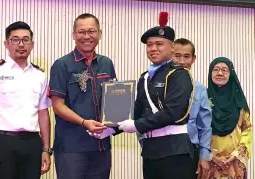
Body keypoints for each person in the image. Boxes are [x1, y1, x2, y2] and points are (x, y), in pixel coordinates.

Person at [106, 12, 195, 179]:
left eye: (159, 44)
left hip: (175, 152)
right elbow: (137, 113)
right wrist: (111, 129)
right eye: (149, 45)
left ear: (172, 47)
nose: (153, 48)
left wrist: (137, 125)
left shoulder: (179, 75)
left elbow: (173, 112)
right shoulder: (145, 78)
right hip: (150, 151)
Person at [0, 21, 52, 179]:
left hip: (32, 143)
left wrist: (46, 149)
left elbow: (43, 114)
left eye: (25, 40)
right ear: (6, 43)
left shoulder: (39, 75)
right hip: (4, 142)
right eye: (15, 40)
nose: (21, 44)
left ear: (32, 44)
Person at [48, 13, 117, 179]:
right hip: (72, 148)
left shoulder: (106, 63)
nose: (87, 36)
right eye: (81, 32)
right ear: (74, 35)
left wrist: (117, 122)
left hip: (102, 146)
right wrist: (84, 123)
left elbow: (114, 100)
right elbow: (57, 105)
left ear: (99, 34)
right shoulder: (62, 65)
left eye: (91, 31)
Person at [172, 38, 213, 178]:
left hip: (190, 154)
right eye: (177, 56)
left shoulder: (200, 89)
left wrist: (204, 155)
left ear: (193, 59)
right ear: (170, 55)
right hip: (162, 153)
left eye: (186, 56)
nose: (182, 61)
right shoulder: (159, 85)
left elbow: (205, 125)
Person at [207, 57, 252, 179]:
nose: (220, 73)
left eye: (224, 70)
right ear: (210, 73)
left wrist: (237, 154)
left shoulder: (239, 101)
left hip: (234, 164)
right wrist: (210, 154)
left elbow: (247, 129)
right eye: (215, 69)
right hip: (208, 163)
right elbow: (196, 128)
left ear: (231, 74)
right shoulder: (202, 99)